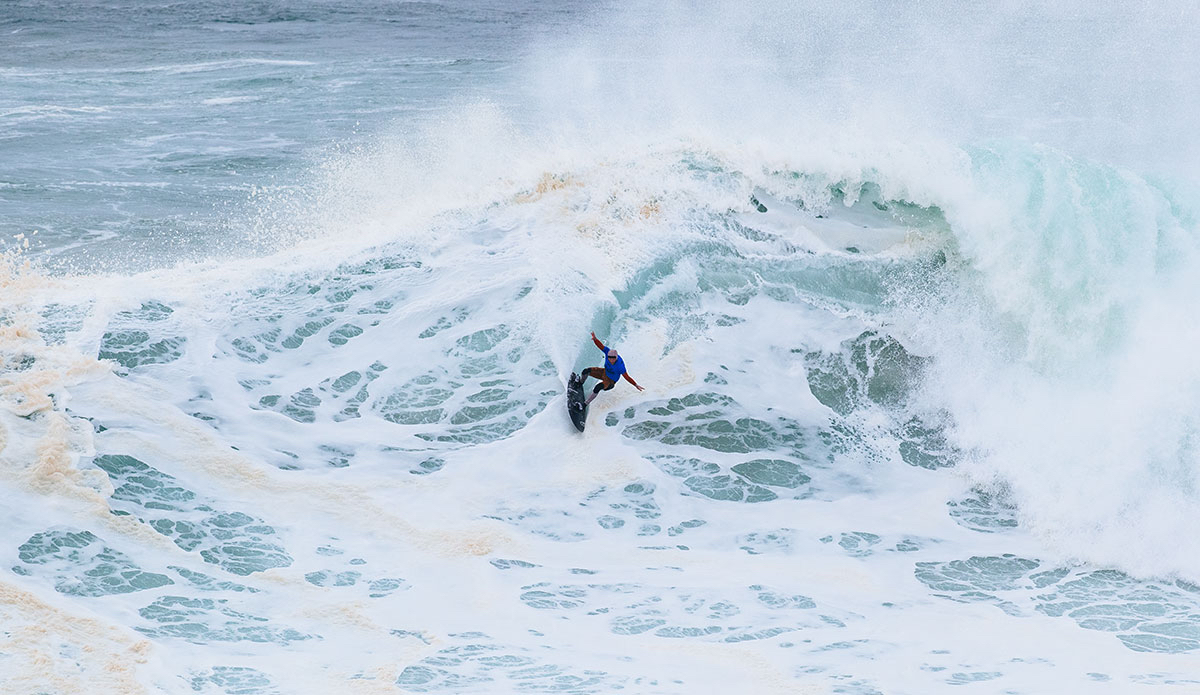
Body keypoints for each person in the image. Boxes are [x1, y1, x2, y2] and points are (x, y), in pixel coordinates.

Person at [577, 331, 644, 406]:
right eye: (609, 358)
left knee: (597, 387)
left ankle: (584, 404)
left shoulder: (620, 366)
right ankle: (580, 383)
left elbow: (627, 377)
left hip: (610, 382)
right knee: (585, 371)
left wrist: (635, 385)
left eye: (613, 358)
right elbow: (601, 346)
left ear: (616, 357)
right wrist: (595, 339)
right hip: (604, 372)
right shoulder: (607, 352)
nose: (611, 360)